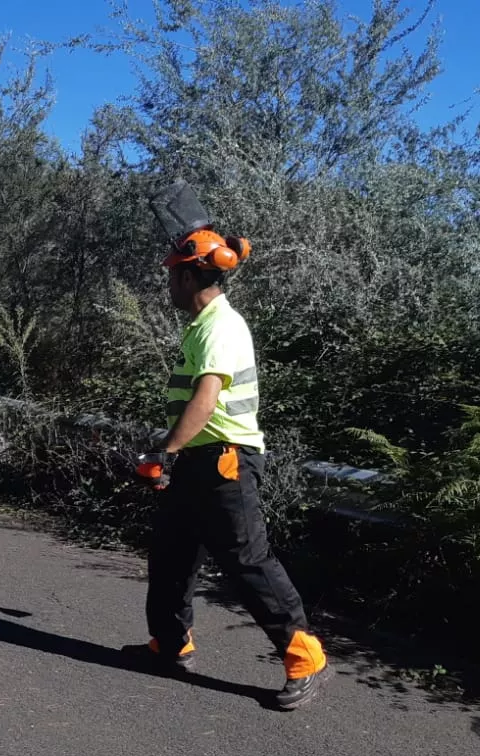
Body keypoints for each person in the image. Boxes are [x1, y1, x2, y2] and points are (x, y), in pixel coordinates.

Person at [125, 228, 330, 710]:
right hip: (200, 458)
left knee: (248, 560)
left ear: (189, 276)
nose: (169, 285)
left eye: (172, 276)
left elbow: (206, 398)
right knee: (171, 556)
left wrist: (164, 451)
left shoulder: (220, 325)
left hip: (225, 459)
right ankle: (171, 645)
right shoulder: (204, 324)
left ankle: (306, 657)